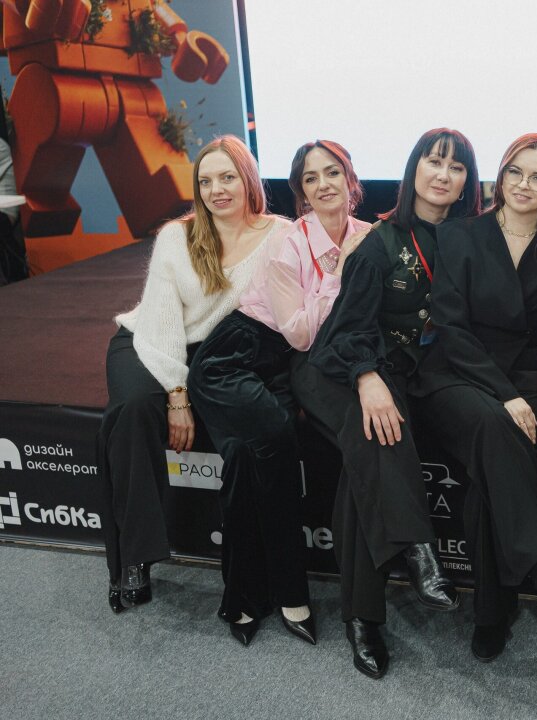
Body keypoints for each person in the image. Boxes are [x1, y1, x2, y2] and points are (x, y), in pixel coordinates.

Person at [293, 128, 481, 678]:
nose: (443, 175)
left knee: (364, 467)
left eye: (456, 167)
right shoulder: (379, 242)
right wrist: (367, 376)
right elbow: (348, 330)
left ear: (468, 181)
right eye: (433, 162)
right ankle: (420, 553)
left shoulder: (468, 240)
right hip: (336, 368)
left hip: (399, 373)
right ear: (413, 169)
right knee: (377, 432)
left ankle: (362, 618)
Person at [412, 132, 537, 662]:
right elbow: (450, 326)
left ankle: (491, 609)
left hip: (529, 376)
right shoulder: (461, 234)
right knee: (497, 427)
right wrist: (505, 395)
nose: (524, 185)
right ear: (501, 174)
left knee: (491, 469)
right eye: (516, 171)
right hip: (455, 373)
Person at [187, 139, 370, 647]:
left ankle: (243, 597)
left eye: (332, 172)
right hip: (232, 358)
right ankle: (289, 592)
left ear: (351, 179)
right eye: (310, 178)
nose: (323, 184)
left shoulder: (368, 236)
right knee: (276, 448)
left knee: (245, 461)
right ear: (301, 192)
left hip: (279, 370)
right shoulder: (290, 241)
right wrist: (338, 272)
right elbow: (301, 333)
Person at [96, 136, 282, 614]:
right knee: (134, 410)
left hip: (215, 355)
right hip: (148, 341)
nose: (217, 190)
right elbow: (161, 322)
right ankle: (134, 559)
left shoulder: (280, 235)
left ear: (249, 179)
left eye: (228, 178)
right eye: (206, 181)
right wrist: (177, 394)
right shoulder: (176, 237)